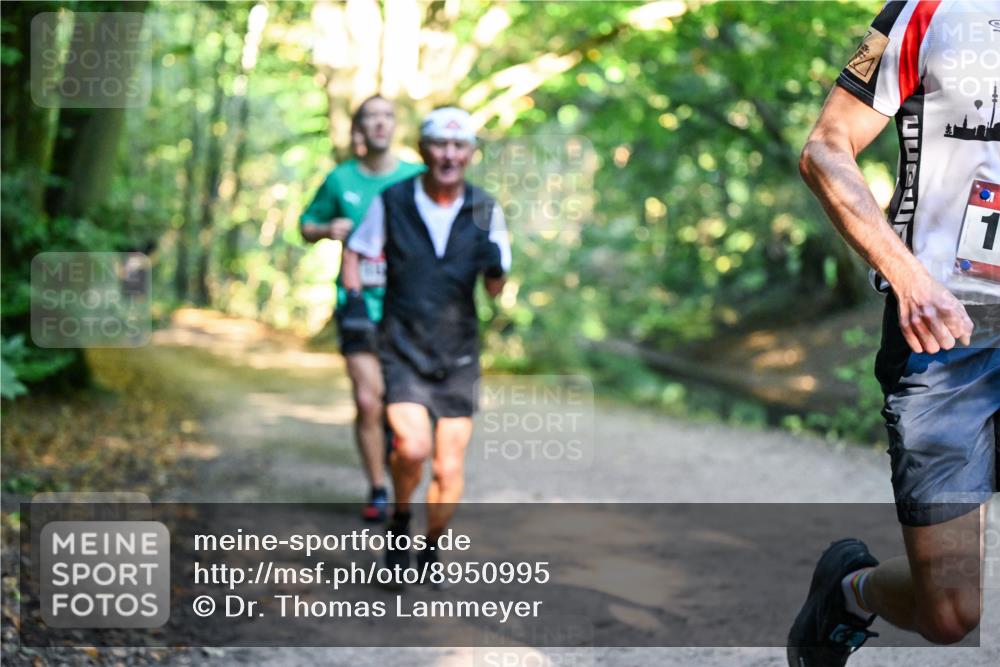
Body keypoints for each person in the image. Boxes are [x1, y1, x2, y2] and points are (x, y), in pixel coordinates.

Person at [788, 1, 999, 665]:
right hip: (946, 333)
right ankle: (849, 592)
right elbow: (827, 147)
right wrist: (907, 277)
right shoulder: (931, 10)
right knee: (949, 609)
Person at [341, 107, 511, 581]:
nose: (449, 155)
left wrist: (495, 268)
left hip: (457, 352)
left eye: (459, 147)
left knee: (448, 465)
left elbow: (496, 288)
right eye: (440, 145)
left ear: (471, 154)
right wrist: (354, 303)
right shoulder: (393, 200)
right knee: (413, 448)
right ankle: (399, 521)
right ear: (423, 149)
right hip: (402, 345)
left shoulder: (485, 209)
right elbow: (356, 251)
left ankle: (432, 546)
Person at [300, 95, 425, 523]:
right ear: (359, 128)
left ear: (395, 126)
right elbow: (306, 226)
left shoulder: (417, 176)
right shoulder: (341, 180)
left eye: (387, 116)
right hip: (356, 302)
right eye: (371, 117)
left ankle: (396, 457)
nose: (379, 124)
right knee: (368, 400)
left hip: (407, 306)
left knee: (397, 403)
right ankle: (377, 487)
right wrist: (326, 229)